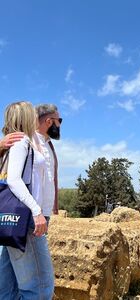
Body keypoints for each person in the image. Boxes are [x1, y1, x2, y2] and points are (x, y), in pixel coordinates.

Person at [0, 101, 56, 299]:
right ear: (25, 117)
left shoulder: (17, 143)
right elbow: (14, 180)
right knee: (40, 287)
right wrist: (36, 210)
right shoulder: (21, 141)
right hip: (26, 219)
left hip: (11, 220)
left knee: (7, 286)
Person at [35, 103, 61, 215]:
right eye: (59, 120)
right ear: (49, 121)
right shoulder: (28, 142)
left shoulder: (49, 145)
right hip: (31, 211)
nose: (59, 124)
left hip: (45, 211)